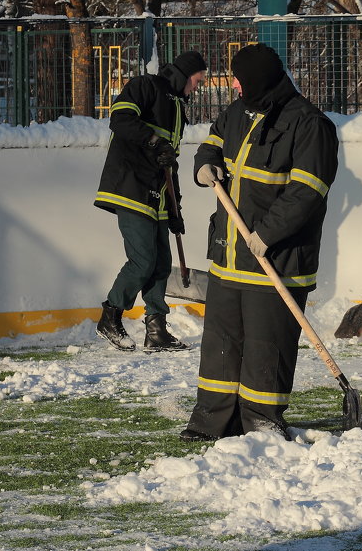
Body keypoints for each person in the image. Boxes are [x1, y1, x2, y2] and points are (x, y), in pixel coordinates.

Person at [181, 44, 339, 442]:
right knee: (220, 344)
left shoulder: (309, 124)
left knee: (266, 348)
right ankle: (212, 420)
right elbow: (212, 141)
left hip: (278, 260)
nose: (233, 84)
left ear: (256, 80)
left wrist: (266, 233)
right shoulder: (237, 112)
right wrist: (205, 164)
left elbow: (307, 191)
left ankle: (261, 423)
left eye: (238, 78)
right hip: (229, 255)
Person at [93, 50, 207, 353]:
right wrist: (155, 142)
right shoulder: (145, 86)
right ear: (185, 75)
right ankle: (110, 316)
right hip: (131, 186)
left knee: (159, 263)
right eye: (197, 81)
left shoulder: (178, 109)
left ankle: (156, 330)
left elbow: (170, 163)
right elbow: (120, 119)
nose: (197, 88)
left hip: (156, 196)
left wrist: (175, 208)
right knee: (142, 260)